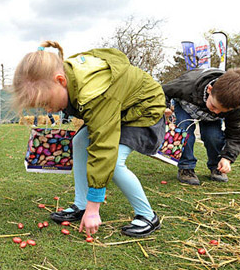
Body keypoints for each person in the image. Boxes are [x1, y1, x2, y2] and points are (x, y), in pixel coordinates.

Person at [12, 41, 166, 237]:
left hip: (143, 111)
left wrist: (95, 207)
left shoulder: (96, 92)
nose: (48, 110)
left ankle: (147, 215)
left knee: (115, 161)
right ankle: (81, 204)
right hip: (118, 110)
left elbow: (103, 149)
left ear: (60, 81)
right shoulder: (73, 76)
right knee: (79, 141)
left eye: (46, 103)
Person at [162, 68, 240, 185]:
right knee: (184, 131)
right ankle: (186, 167)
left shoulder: (238, 107)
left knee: (213, 136)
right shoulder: (188, 83)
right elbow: (163, 91)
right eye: (214, 106)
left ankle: (217, 166)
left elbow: (238, 133)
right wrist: (163, 106)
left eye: (222, 111)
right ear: (210, 90)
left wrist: (227, 158)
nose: (216, 112)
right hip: (186, 105)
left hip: (209, 118)